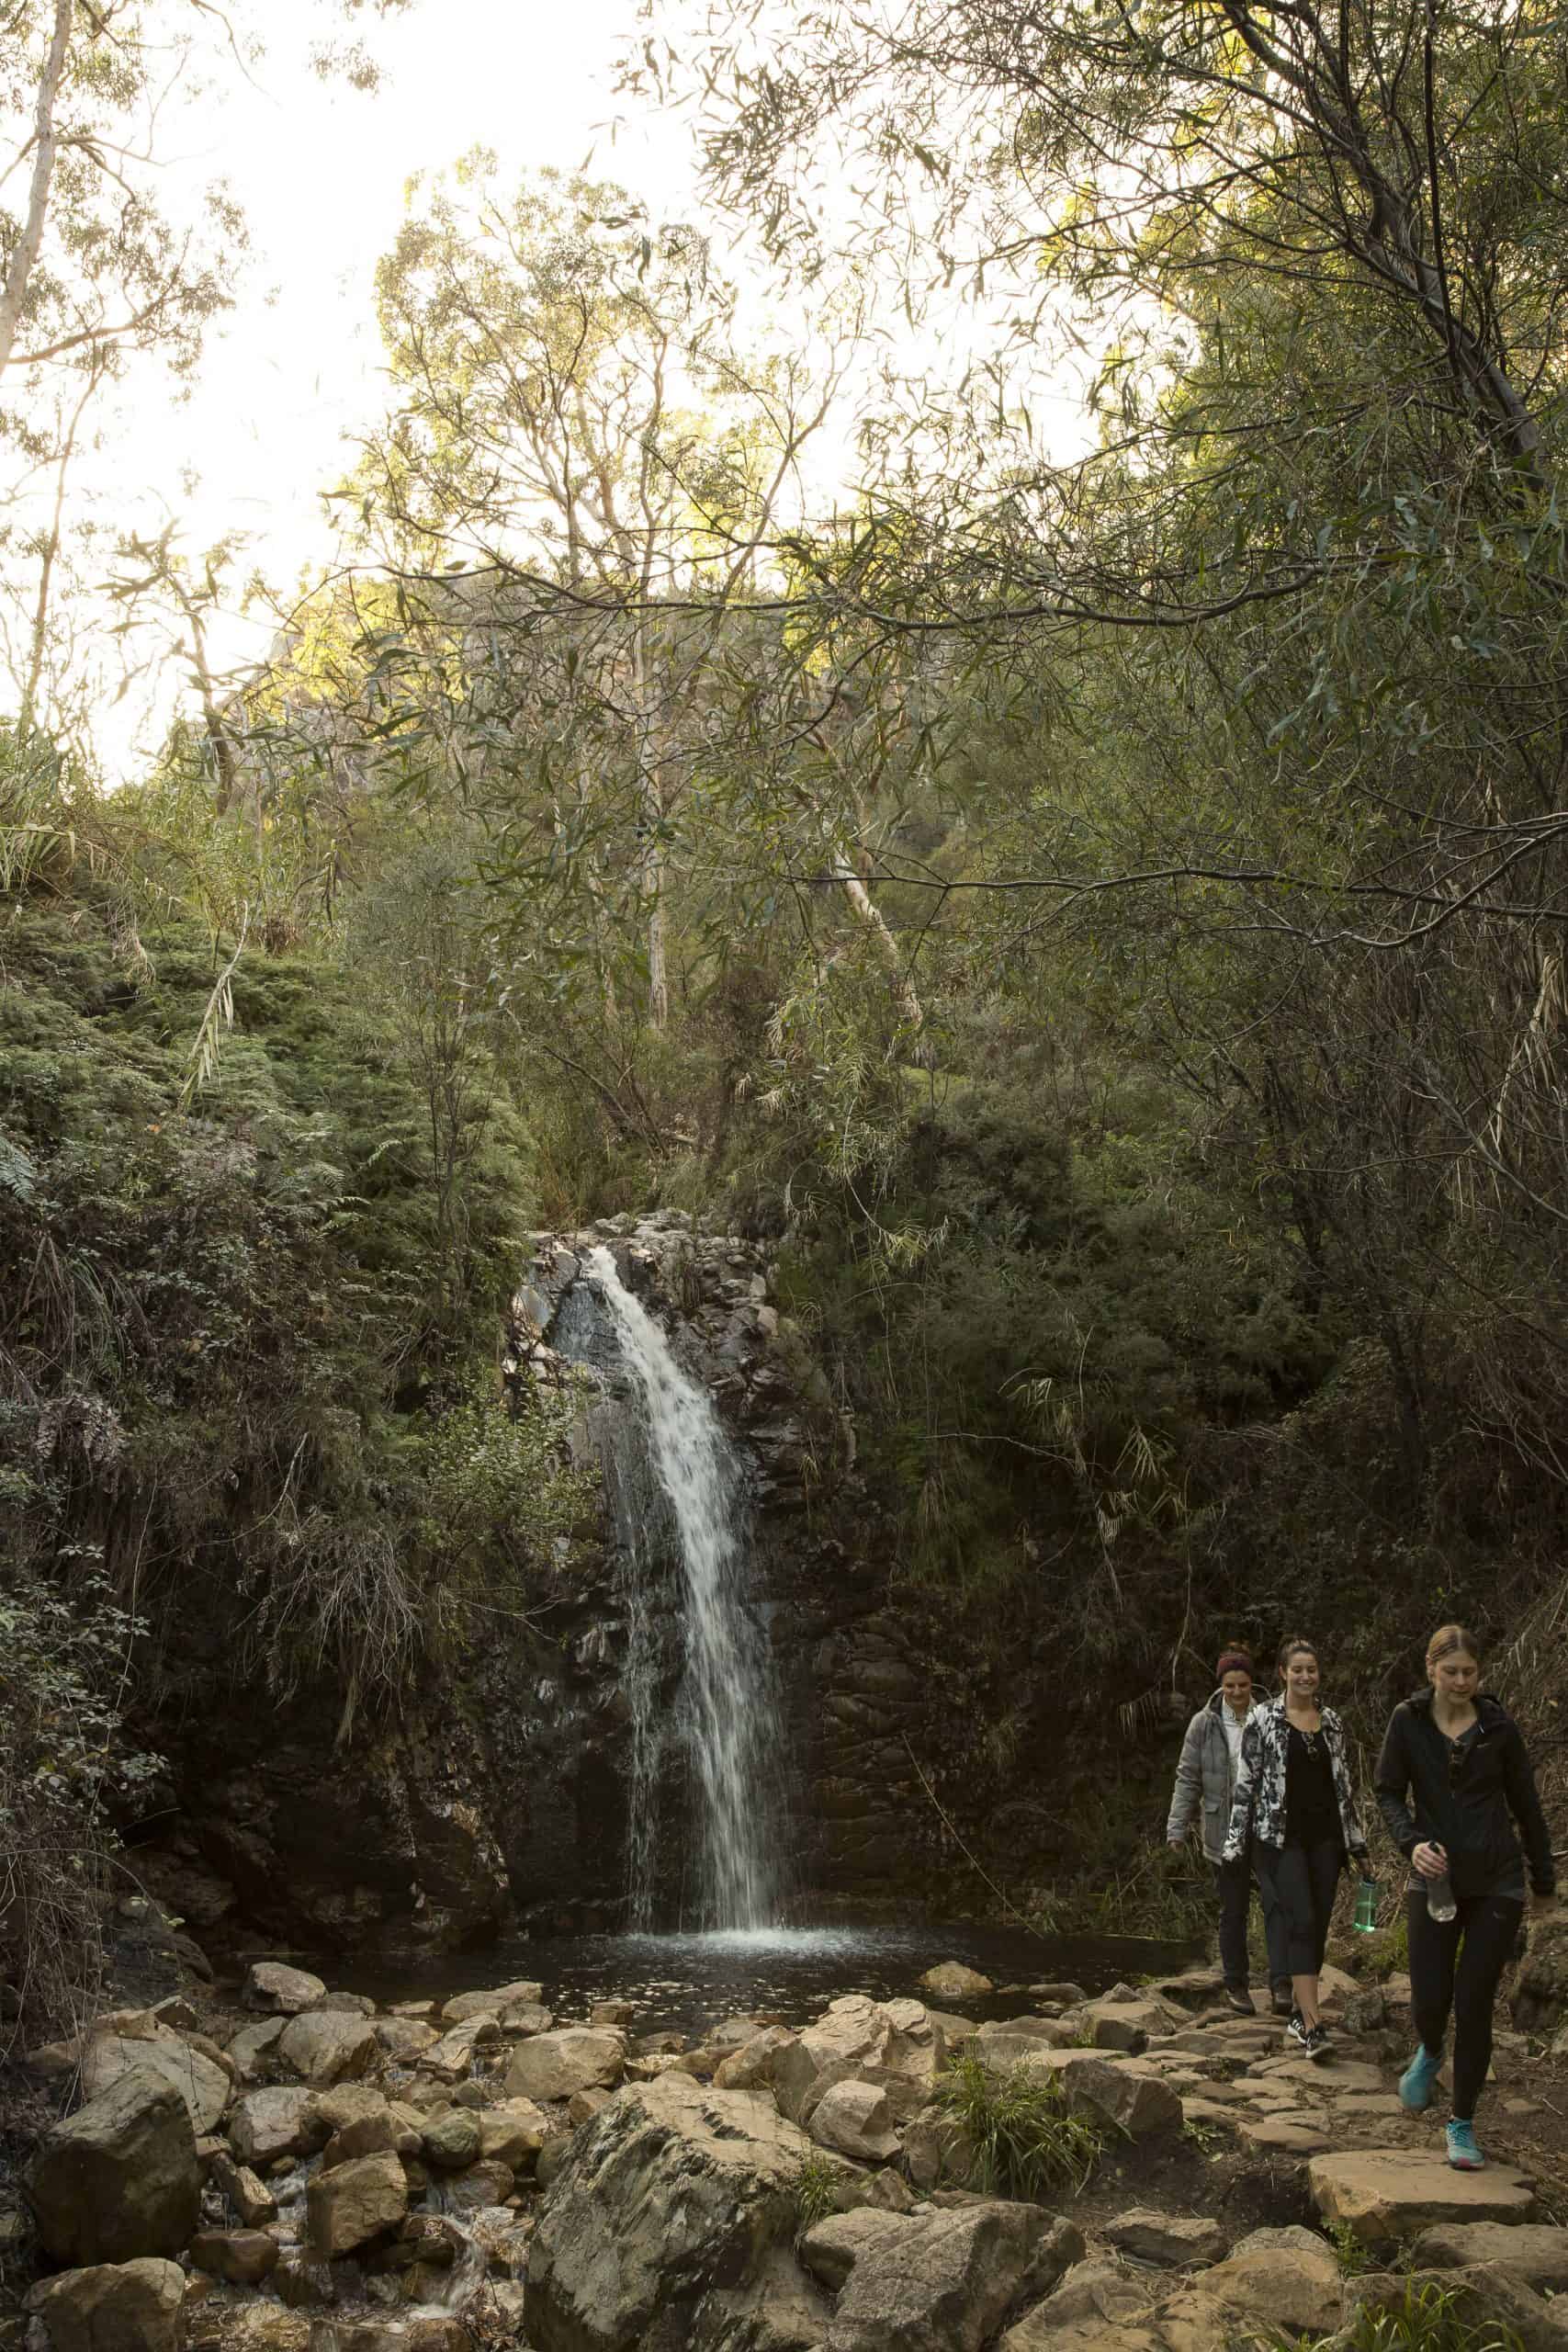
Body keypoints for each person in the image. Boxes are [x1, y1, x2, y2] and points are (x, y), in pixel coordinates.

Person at [1374, 1623, 1556, 2171]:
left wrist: (1542, 1882)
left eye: (1469, 1672)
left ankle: (1461, 2125)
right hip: (1433, 1877)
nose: (1460, 1681)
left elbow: (1526, 1805)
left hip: (1496, 1880)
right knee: (1430, 1999)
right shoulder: (1407, 1722)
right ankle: (1430, 2049)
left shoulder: (1499, 1728)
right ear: (1431, 1670)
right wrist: (1411, 1846)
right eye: (1450, 1671)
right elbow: (1387, 1791)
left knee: (1474, 2003)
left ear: (1480, 1673)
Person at [1223, 1634, 1369, 2056]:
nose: (1306, 1676)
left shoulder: (1334, 1722)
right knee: (1301, 1919)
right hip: (1278, 1839)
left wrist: (1358, 1846)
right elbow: (1245, 1787)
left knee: (1318, 1924)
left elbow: (1344, 1787)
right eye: (1297, 1669)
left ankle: (1298, 2014)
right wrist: (1235, 1844)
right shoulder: (1263, 1720)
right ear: (1283, 1673)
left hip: (1325, 1840)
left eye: (1312, 1669)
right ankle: (1311, 2024)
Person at [1167, 1646, 1292, 2016]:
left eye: (1243, 1684)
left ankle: (1281, 1984)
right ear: (1220, 1686)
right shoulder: (1203, 1724)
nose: (1237, 1692)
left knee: (1277, 1902)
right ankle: (1236, 1985)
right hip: (1223, 1828)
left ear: (1252, 1683)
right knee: (1233, 1909)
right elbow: (1188, 1777)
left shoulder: (1271, 1718)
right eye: (1230, 1685)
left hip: (1267, 1826)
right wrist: (1177, 1827)